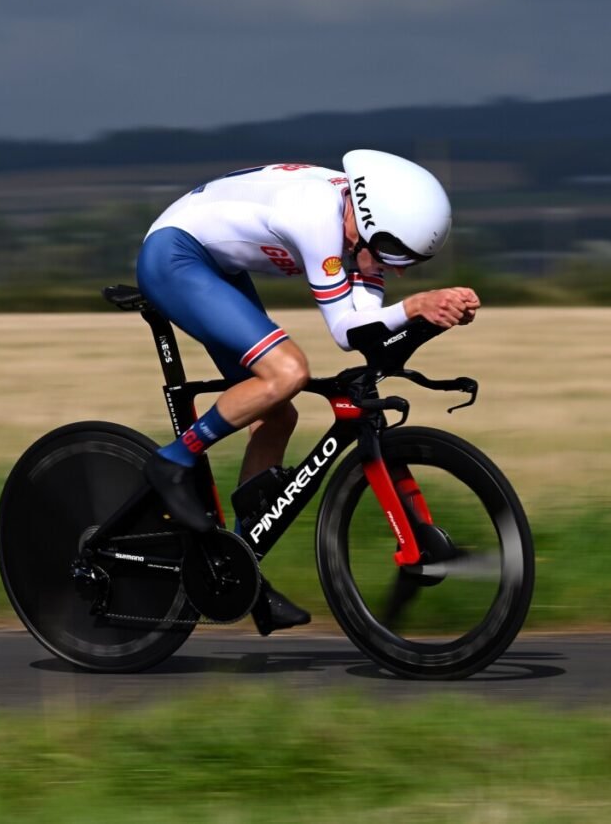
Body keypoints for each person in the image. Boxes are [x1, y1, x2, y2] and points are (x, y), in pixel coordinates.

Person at [135, 149, 480, 635]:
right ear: (368, 223)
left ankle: (237, 569)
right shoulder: (315, 216)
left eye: (409, 263)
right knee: (289, 372)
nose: (397, 271)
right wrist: (418, 305)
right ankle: (174, 459)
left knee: (279, 414)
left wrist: (431, 318)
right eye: (394, 256)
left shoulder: (364, 228)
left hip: (218, 268)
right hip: (175, 257)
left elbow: (370, 334)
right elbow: (345, 330)